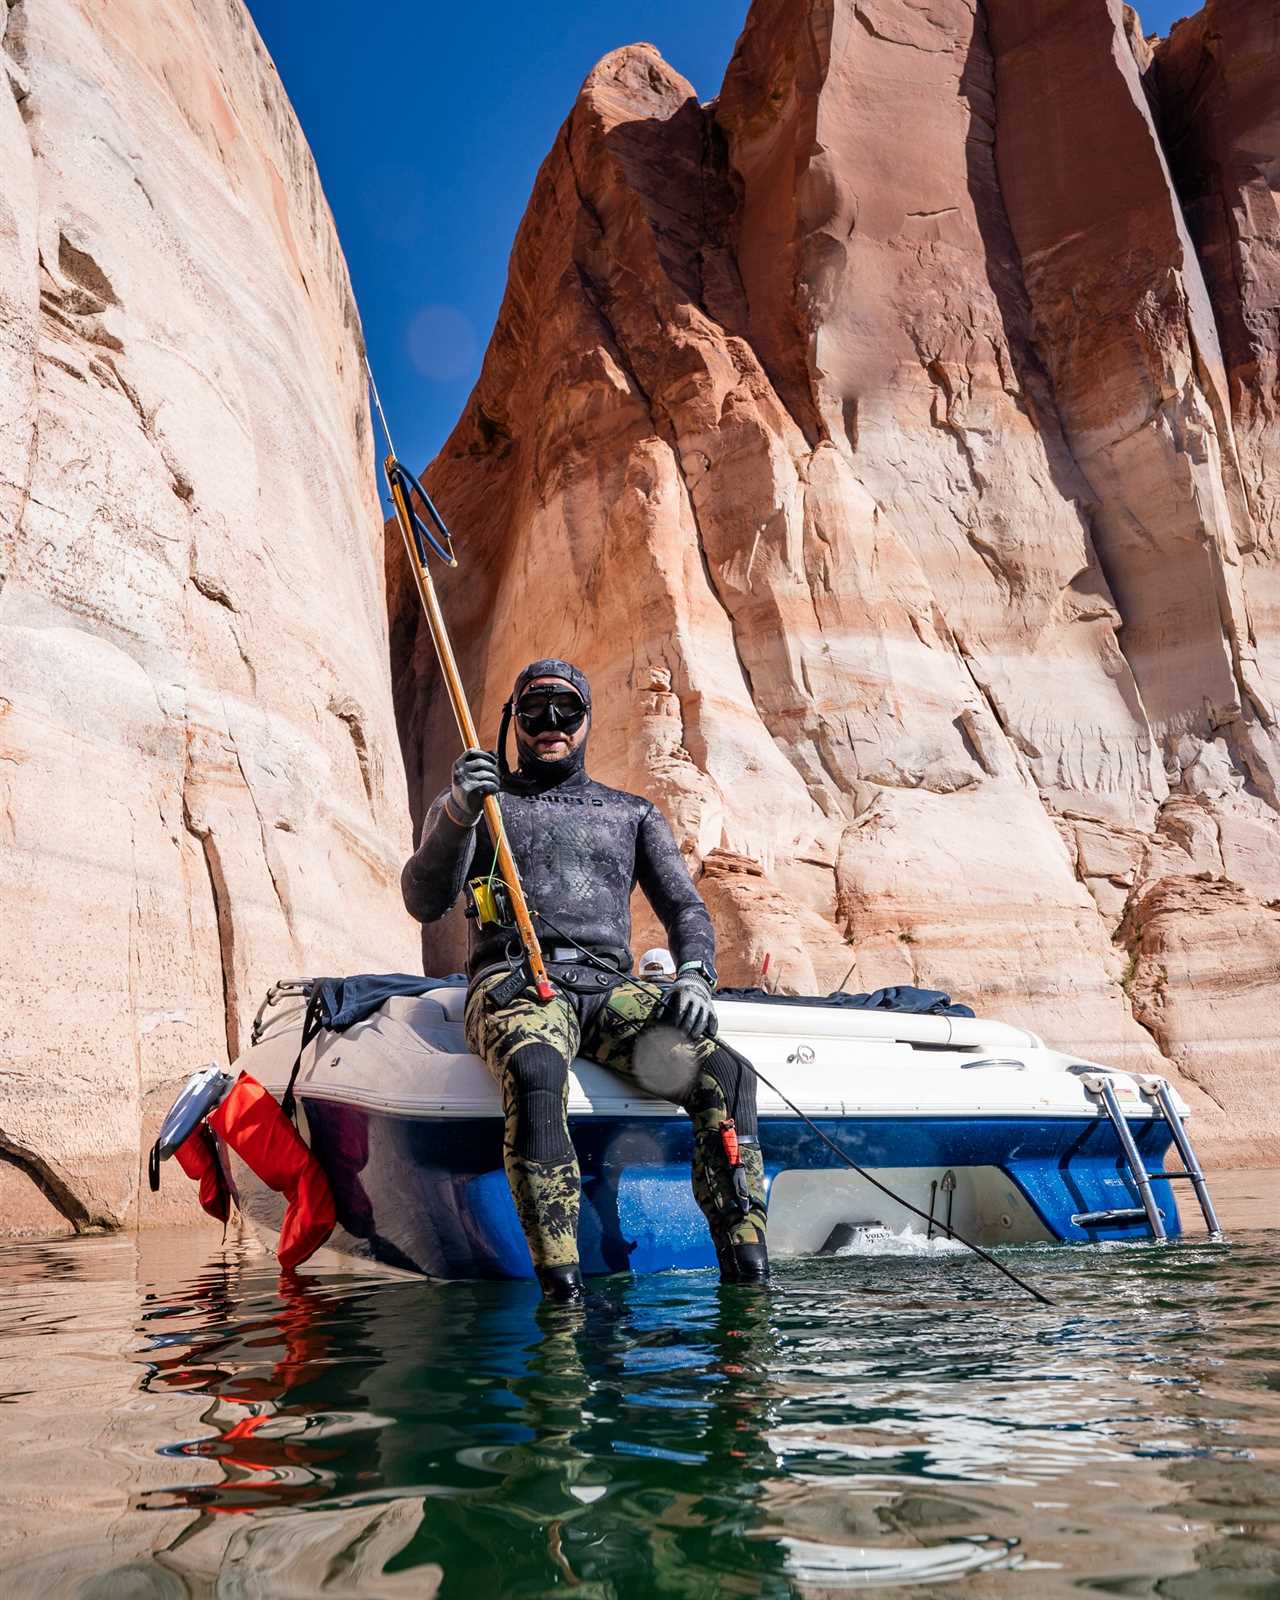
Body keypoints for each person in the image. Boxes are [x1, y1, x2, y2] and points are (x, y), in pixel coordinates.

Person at [401, 658, 768, 1301]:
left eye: (565, 711)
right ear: (513, 722)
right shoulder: (482, 802)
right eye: (534, 711)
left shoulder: (631, 814)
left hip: (609, 988)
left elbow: (684, 907)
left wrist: (694, 976)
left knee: (727, 1073)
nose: (550, 726)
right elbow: (424, 898)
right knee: (538, 1069)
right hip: (517, 981)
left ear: (588, 720)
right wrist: (459, 810)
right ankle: (561, 1288)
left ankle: (747, 1267)